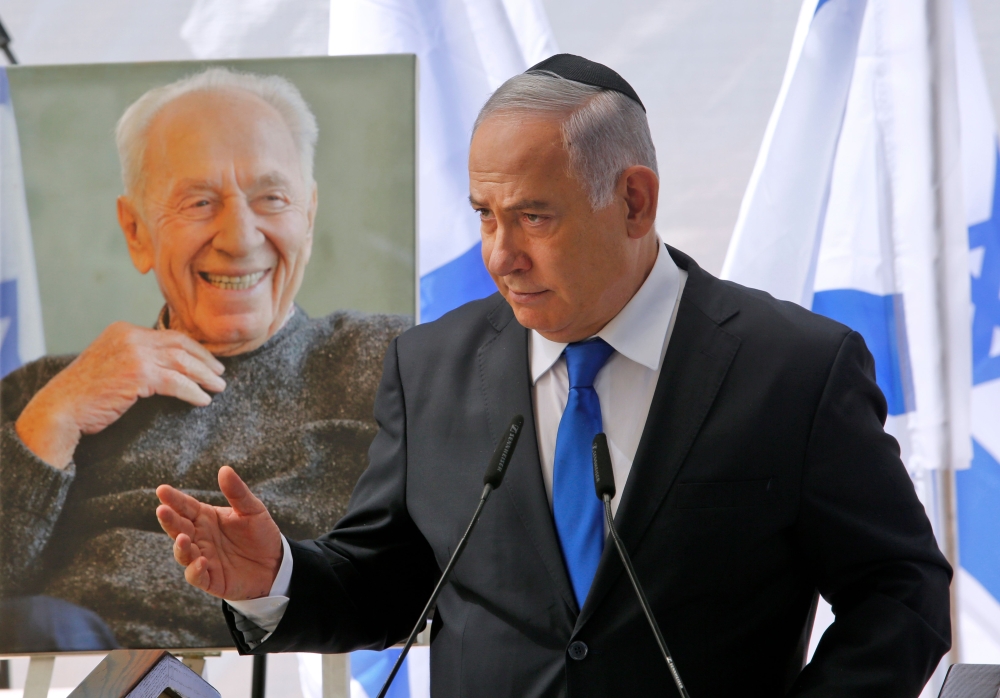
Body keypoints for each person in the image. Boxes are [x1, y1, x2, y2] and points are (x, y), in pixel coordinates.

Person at [157, 55, 951, 696]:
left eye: (535, 216)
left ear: (634, 202)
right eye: (484, 215)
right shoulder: (429, 368)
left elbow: (900, 591)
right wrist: (275, 576)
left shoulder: (795, 369)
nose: (500, 254)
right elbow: (390, 581)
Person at [0, 67, 409, 650]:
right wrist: (54, 421)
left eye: (272, 198)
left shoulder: (394, 364)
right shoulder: (39, 396)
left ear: (309, 217)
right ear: (136, 231)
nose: (240, 237)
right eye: (199, 201)